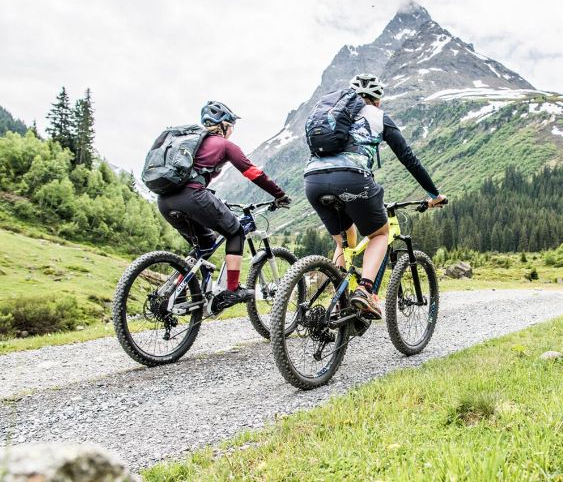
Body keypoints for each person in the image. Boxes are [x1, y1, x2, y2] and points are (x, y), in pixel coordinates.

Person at [304, 74, 447, 319]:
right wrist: (433, 194)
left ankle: (338, 301)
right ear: (377, 100)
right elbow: (409, 159)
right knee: (379, 234)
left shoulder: (330, 115)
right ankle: (365, 290)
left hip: (313, 180)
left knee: (343, 241)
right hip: (353, 179)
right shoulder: (379, 117)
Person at [157, 101, 290, 310]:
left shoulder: (188, 143)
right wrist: (279, 194)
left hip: (164, 200)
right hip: (193, 196)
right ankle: (233, 289)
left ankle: (176, 290)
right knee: (235, 232)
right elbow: (252, 172)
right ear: (224, 126)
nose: (231, 132)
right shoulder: (224, 145)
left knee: (204, 244)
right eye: (231, 127)